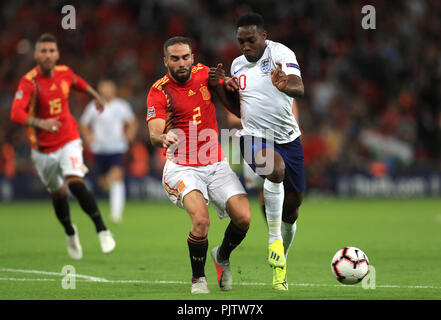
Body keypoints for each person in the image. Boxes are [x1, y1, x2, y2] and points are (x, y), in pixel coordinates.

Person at [146, 36, 251, 294]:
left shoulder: (204, 73)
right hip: (182, 167)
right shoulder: (159, 91)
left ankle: (222, 255)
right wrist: (163, 137)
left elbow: (226, 93)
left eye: (185, 57)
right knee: (201, 221)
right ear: (166, 61)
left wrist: (227, 85)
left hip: (216, 163)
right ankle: (198, 279)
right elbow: (154, 132)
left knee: (244, 218)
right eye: (175, 58)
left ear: (192, 57)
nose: (181, 63)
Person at [210, 12, 305, 291]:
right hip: (253, 136)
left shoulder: (281, 54)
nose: (245, 46)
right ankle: (273, 238)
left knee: (293, 208)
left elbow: (299, 87)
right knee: (274, 171)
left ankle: (280, 262)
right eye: (241, 41)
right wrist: (219, 88)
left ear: (264, 36)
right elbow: (238, 108)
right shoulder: (237, 65)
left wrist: (286, 84)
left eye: (250, 40)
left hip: (289, 139)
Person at [10, 33, 115, 260]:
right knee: (58, 194)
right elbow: (16, 113)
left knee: (75, 182)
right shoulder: (30, 82)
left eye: (51, 51)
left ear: (57, 54)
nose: (48, 55)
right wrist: (41, 122)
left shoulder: (64, 73)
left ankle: (102, 229)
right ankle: (70, 232)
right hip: (43, 150)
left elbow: (80, 83)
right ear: (36, 55)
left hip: (68, 138)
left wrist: (95, 95)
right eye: (43, 51)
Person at [80, 80, 138, 224]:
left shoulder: (121, 106)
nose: (106, 91)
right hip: (99, 149)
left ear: (113, 90)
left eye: (108, 88)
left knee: (117, 177)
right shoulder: (93, 106)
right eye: (103, 89)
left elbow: (132, 121)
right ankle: (109, 186)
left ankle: (116, 215)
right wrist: (88, 136)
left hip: (117, 147)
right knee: (103, 183)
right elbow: (83, 123)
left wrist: (129, 135)